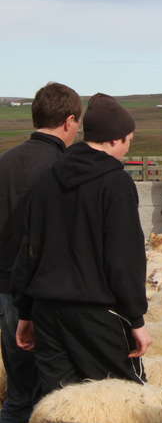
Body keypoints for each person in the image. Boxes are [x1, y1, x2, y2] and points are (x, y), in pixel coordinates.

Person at [12, 93, 151, 397]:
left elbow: (30, 249)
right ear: (115, 139)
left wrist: (26, 311)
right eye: (128, 139)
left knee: (59, 404)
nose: (129, 148)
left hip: (48, 311)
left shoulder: (48, 178)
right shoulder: (116, 184)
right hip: (97, 313)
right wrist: (136, 319)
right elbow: (124, 258)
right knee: (117, 402)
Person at [0, 82, 81, 423]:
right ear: (68, 121)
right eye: (76, 123)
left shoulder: (6, 162)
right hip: (49, 298)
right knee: (55, 396)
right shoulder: (66, 168)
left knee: (17, 394)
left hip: (5, 291)